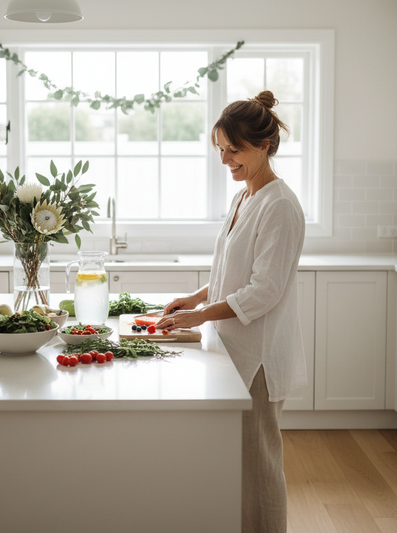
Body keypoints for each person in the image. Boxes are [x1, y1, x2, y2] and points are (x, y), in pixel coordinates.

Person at [155, 90, 307, 533]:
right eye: (220, 149)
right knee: (238, 457)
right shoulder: (246, 196)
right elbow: (233, 270)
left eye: (233, 150)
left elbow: (264, 291)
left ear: (265, 146)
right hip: (232, 346)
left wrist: (200, 317)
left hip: (257, 354)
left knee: (259, 459)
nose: (224, 159)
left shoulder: (279, 205)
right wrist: (198, 297)